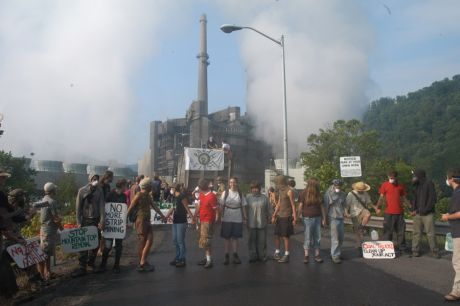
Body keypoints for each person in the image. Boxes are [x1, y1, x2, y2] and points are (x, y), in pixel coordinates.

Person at [127, 177, 166, 272]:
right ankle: (142, 262)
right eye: (151, 185)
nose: (152, 187)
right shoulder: (139, 195)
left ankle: (143, 261)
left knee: (149, 241)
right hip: (141, 221)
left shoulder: (147, 196)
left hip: (146, 221)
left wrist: (162, 215)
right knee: (143, 241)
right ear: (148, 186)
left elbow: (154, 206)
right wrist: (125, 221)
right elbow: (130, 207)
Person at [72, 173, 105, 277]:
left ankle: (91, 264)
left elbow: (102, 206)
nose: (95, 180)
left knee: (95, 242)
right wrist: (78, 222)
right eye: (94, 178)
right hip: (85, 220)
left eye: (97, 179)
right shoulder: (82, 191)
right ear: (90, 179)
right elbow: (78, 208)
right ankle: (82, 266)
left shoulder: (100, 191)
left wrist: (102, 220)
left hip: (95, 220)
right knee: (83, 243)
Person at [376, 170, 409, 255]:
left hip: (399, 212)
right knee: (388, 231)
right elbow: (381, 197)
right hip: (388, 213)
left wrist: (410, 207)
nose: (391, 179)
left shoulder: (401, 186)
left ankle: (402, 248)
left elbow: (404, 198)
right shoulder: (385, 185)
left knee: (401, 231)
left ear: (396, 177)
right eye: (390, 178)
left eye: (393, 178)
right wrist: (378, 207)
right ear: (388, 177)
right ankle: (387, 248)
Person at [99, 179, 128, 273]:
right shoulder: (110, 195)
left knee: (119, 246)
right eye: (125, 186)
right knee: (108, 245)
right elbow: (105, 208)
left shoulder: (124, 196)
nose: (126, 188)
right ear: (122, 185)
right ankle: (103, 265)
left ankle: (116, 266)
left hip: (118, 226)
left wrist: (124, 222)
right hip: (110, 225)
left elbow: (123, 211)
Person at [0, 170, 20, 299]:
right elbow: (4, 214)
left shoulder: (1, 194)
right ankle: (8, 294)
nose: (3, 181)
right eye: (2, 178)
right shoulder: (0, 195)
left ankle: (8, 294)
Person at [411, 169, 440, 258]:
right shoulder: (417, 185)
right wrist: (413, 209)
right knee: (416, 233)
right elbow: (414, 198)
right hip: (418, 213)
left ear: (419, 175)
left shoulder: (429, 183)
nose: (413, 177)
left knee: (430, 233)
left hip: (428, 214)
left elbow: (432, 199)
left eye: (415, 175)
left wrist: (425, 210)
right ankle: (415, 251)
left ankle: (434, 252)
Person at [165, 184, 195, 267]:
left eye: (171, 188)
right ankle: (177, 257)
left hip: (182, 221)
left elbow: (187, 208)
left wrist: (193, 218)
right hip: (175, 221)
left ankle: (182, 259)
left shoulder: (182, 196)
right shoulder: (174, 197)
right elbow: (172, 208)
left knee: (180, 241)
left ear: (175, 189)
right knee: (175, 240)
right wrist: (166, 216)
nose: (170, 190)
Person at [219, 177, 248, 265]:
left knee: (235, 237)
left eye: (234, 182)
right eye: (231, 182)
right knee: (227, 237)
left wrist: (245, 218)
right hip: (227, 216)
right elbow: (221, 205)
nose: (232, 184)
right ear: (229, 183)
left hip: (237, 216)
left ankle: (235, 255)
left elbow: (243, 206)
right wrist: (221, 216)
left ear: (237, 183)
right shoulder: (225, 192)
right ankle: (226, 255)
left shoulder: (240, 193)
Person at [37, 182, 62, 282]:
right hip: (49, 230)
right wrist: (61, 226)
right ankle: (44, 275)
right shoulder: (51, 201)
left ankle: (47, 272)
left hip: (44, 229)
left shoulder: (43, 200)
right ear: (52, 191)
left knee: (46, 252)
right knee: (46, 252)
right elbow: (56, 218)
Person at [442, 168, 460, 301]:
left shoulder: (458, 193)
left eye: (447, 178)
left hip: (459, 231)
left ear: (451, 179)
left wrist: (448, 217)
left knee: (458, 262)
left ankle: (457, 291)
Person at [299, 178, 326, 264]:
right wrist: (296, 217)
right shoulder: (304, 193)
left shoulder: (318, 194)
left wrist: (324, 218)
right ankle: (309, 255)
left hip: (315, 217)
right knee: (311, 236)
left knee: (314, 236)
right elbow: (300, 206)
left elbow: (322, 207)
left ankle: (312, 255)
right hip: (309, 218)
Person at [345, 181, 376, 256]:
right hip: (354, 213)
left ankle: (362, 227)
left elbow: (369, 202)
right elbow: (347, 205)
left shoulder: (365, 194)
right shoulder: (351, 194)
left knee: (368, 214)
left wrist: (375, 208)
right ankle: (359, 244)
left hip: (362, 210)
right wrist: (346, 213)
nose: (361, 191)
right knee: (358, 232)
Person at [272, 175, 297, 263]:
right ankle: (277, 252)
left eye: (277, 183)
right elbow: (278, 203)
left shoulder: (289, 191)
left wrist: (295, 217)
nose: (277, 185)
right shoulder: (280, 191)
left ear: (281, 182)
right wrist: (274, 215)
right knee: (277, 235)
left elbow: (293, 205)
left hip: (287, 216)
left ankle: (287, 255)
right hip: (279, 216)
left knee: (285, 236)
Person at [194, 178, 219, 268]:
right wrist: (194, 216)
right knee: (203, 239)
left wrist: (216, 220)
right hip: (202, 220)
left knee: (206, 240)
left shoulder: (212, 196)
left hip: (208, 221)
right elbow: (199, 206)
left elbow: (216, 210)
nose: (199, 188)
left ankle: (209, 260)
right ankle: (206, 257)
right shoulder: (201, 195)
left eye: (200, 186)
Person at [246, 181, 270, 263]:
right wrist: (245, 220)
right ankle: (253, 256)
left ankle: (262, 256)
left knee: (262, 241)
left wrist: (269, 219)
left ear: (259, 189)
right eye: (253, 188)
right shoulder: (248, 197)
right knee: (251, 241)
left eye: (256, 188)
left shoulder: (264, 198)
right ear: (251, 189)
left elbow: (268, 210)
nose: (255, 190)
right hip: (251, 223)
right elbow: (245, 209)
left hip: (262, 224)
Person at [323, 179, 347, 264]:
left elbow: (344, 205)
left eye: (339, 186)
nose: (338, 187)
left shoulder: (343, 194)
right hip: (332, 217)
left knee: (341, 237)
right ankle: (335, 255)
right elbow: (326, 207)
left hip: (340, 217)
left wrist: (346, 212)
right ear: (333, 185)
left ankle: (337, 252)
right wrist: (325, 219)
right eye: (336, 185)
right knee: (335, 237)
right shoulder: (328, 194)